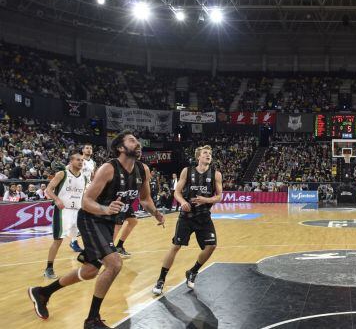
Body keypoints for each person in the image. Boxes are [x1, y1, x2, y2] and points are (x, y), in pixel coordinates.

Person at [28, 130, 165, 328]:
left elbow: (144, 199)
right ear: (120, 147)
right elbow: (86, 201)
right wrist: (105, 209)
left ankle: (42, 292)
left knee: (91, 271)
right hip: (91, 218)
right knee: (115, 263)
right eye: (132, 141)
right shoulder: (108, 169)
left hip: (108, 222)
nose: (138, 144)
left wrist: (156, 213)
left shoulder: (143, 170)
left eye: (137, 141)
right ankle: (92, 319)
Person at [152, 145, 223, 296]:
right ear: (199, 156)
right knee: (176, 246)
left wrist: (206, 199)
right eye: (205, 153)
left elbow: (219, 196)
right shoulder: (187, 171)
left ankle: (193, 271)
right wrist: (182, 202)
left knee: (211, 246)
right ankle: (161, 280)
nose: (208, 155)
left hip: (204, 216)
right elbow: (177, 192)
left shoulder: (216, 174)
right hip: (187, 217)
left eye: (210, 153)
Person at [43, 152, 88, 279]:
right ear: (71, 161)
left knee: (87, 236)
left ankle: (87, 262)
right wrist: (57, 200)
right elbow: (48, 189)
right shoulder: (62, 174)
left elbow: (83, 195)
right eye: (78, 160)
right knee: (58, 240)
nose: (81, 162)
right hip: (64, 211)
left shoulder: (84, 178)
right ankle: (49, 268)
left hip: (78, 211)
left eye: (82, 160)